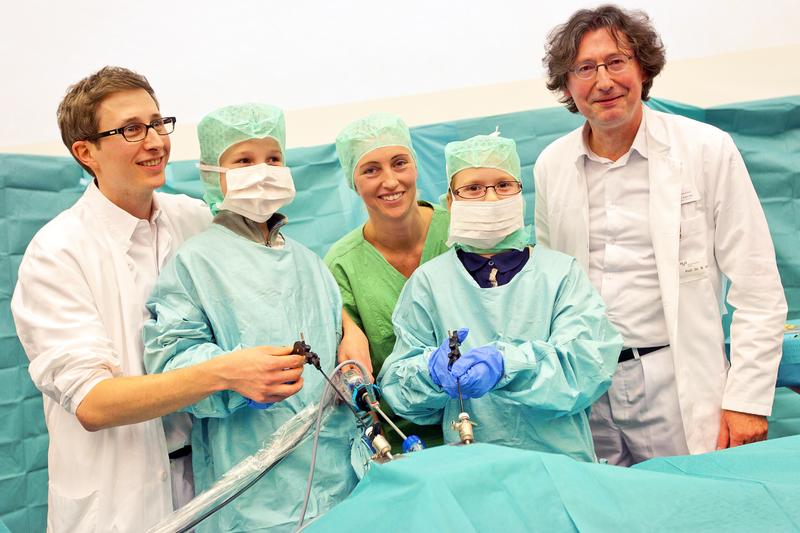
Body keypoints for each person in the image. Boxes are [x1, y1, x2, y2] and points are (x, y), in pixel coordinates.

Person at [10, 67, 311, 532]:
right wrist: (225, 372)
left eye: (157, 123)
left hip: (214, 477)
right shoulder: (57, 253)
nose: (155, 142)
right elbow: (93, 402)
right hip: (121, 502)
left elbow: (280, 281)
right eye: (131, 129)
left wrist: (346, 327)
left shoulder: (195, 219)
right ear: (85, 152)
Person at [534, 5, 788, 465]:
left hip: (676, 380)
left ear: (643, 69)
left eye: (616, 62)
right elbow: (552, 287)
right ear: (567, 85)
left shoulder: (705, 150)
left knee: (694, 499)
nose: (603, 81)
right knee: (602, 503)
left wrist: (747, 400)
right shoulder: (552, 165)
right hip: (587, 388)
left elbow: (758, 286)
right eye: (585, 68)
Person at [142, 103, 358, 532]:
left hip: (337, 481)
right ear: (212, 174)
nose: (263, 170)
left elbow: (334, 350)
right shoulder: (195, 264)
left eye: (273, 158)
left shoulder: (309, 263)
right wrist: (237, 376)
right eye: (243, 160)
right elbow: (170, 368)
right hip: (250, 496)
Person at [378, 133, 622, 461]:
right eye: (473, 188)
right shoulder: (429, 283)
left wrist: (507, 364)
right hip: (471, 466)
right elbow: (399, 390)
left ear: (521, 193)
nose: (490, 198)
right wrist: (430, 373)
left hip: (559, 462)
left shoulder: (560, 274)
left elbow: (586, 366)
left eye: (504, 186)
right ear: (450, 202)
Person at [325, 113, 450, 446]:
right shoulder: (342, 265)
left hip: (488, 425)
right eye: (371, 170)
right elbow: (348, 370)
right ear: (353, 182)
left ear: (416, 166)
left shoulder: (461, 232)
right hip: (402, 441)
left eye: (399, 163)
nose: (391, 181)